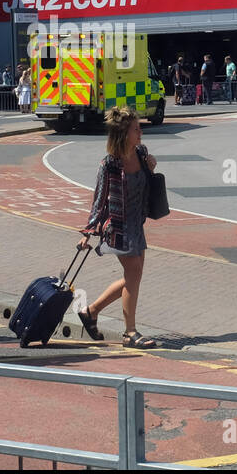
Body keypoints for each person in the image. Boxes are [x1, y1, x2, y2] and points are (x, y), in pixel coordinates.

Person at [75, 107, 159, 349]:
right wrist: (88, 233)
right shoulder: (109, 164)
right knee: (133, 274)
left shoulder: (141, 154)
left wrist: (151, 168)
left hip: (136, 223)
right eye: (136, 129)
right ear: (123, 134)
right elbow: (99, 199)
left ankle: (91, 311)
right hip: (118, 227)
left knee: (134, 277)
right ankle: (129, 332)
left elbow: (147, 185)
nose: (140, 132)